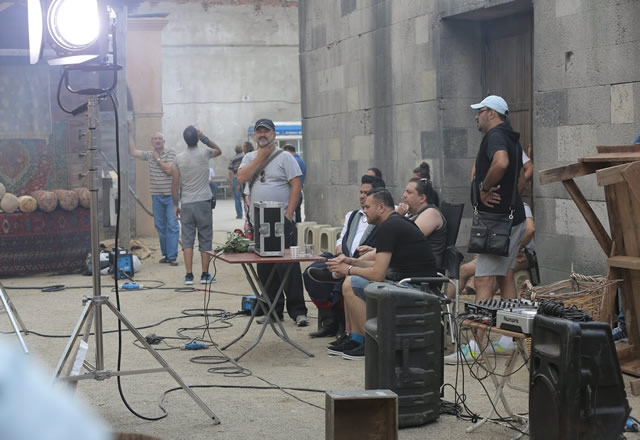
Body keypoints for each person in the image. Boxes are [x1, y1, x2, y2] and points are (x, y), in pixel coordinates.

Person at [446, 95, 526, 363]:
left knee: (482, 280)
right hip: (511, 219)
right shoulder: (511, 137)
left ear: (491, 113)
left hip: (497, 224)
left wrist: (484, 187)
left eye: (479, 111)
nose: (476, 116)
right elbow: (520, 176)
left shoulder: (495, 136)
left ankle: (475, 346)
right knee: (505, 277)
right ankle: (507, 341)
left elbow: (501, 163)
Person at [326, 188, 438, 360]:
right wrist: (351, 261)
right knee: (352, 279)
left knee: (351, 282)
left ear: (381, 208)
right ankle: (356, 339)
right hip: (411, 283)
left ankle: (374, 344)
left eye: (367, 207)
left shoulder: (389, 227)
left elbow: (378, 274)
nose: (364, 211)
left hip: (417, 288)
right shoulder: (394, 223)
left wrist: (347, 270)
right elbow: (379, 264)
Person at [237, 118, 309, 327]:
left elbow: (296, 186)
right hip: (259, 222)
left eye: (266, 131)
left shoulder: (285, 157)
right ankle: (272, 310)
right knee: (265, 267)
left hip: (281, 221)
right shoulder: (249, 157)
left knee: (288, 266)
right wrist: (260, 158)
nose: (262, 134)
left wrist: (288, 215)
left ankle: (298, 311)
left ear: (274, 134)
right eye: (259, 131)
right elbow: (241, 177)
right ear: (255, 135)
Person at [302, 175, 385, 337]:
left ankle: (345, 327)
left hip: (363, 262)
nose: (362, 196)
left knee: (344, 277)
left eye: (366, 193)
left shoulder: (384, 216)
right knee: (310, 272)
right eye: (361, 192)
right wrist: (340, 255)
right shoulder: (352, 215)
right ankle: (329, 321)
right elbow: (341, 239)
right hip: (345, 257)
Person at [172, 125, 222, 285]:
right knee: (205, 238)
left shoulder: (178, 158)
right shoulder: (205, 153)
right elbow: (218, 150)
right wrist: (204, 138)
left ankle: (189, 275)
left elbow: (175, 183)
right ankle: (205, 274)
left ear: (184, 139)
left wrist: (175, 204)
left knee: (187, 239)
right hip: (203, 201)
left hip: (187, 202)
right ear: (197, 138)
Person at [128, 123, 179, 266]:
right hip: (156, 196)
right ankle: (167, 255)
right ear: (152, 142)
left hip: (170, 196)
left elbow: (169, 170)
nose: (157, 141)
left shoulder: (171, 152)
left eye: (160, 139)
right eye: (155, 139)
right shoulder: (149, 155)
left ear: (164, 141)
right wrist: (129, 132)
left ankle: (173, 256)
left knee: (172, 225)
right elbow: (133, 152)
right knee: (160, 226)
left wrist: (157, 158)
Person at [396, 177, 447, 267]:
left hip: (421, 267)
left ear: (422, 198)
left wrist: (397, 217)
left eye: (409, 192)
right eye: (405, 191)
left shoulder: (430, 213)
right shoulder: (413, 214)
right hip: (406, 263)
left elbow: (405, 240)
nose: (404, 195)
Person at [282, 144, 306, 222]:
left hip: (293, 193)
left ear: (287, 151)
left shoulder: (293, 161)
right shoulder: (301, 161)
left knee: (292, 218)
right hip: (299, 192)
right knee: (298, 216)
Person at [227, 143, 244, 219]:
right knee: (247, 196)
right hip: (245, 177)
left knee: (237, 198)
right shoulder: (245, 156)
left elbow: (230, 171)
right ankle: (249, 213)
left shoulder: (233, 159)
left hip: (236, 178)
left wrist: (230, 181)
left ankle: (239, 214)